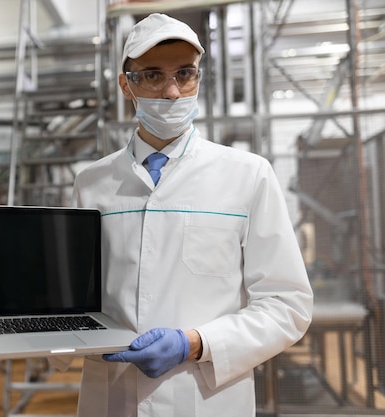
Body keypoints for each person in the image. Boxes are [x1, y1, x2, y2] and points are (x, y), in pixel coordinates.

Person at [69, 12, 313, 417]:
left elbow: (287, 303)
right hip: (112, 395)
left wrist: (195, 343)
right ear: (124, 85)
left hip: (204, 398)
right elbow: (77, 296)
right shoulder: (91, 183)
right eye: (151, 75)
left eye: (185, 74)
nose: (171, 92)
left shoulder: (248, 175)